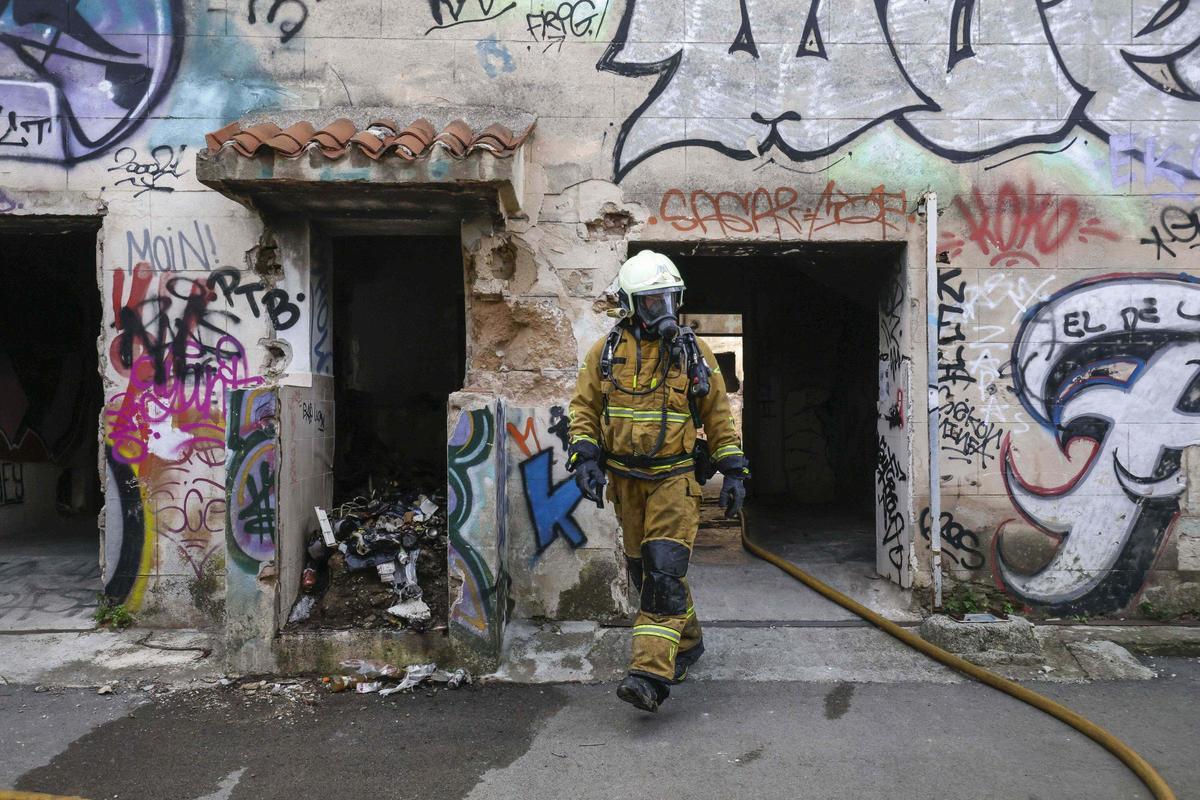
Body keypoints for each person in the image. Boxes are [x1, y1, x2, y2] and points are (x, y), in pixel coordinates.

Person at [566, 250, 750, 713]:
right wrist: (585, 457)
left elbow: (718, 415)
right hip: (625, 483)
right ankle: (686, 643)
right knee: (644, 573)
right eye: (651, 301)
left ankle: (649, 675)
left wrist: (733, 470)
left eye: (668, 298)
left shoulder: (693, 353)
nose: (662, 308)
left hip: (675, 479)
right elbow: (584, 409)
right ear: (631, 304)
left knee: (663, 573)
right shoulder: (606, 352)